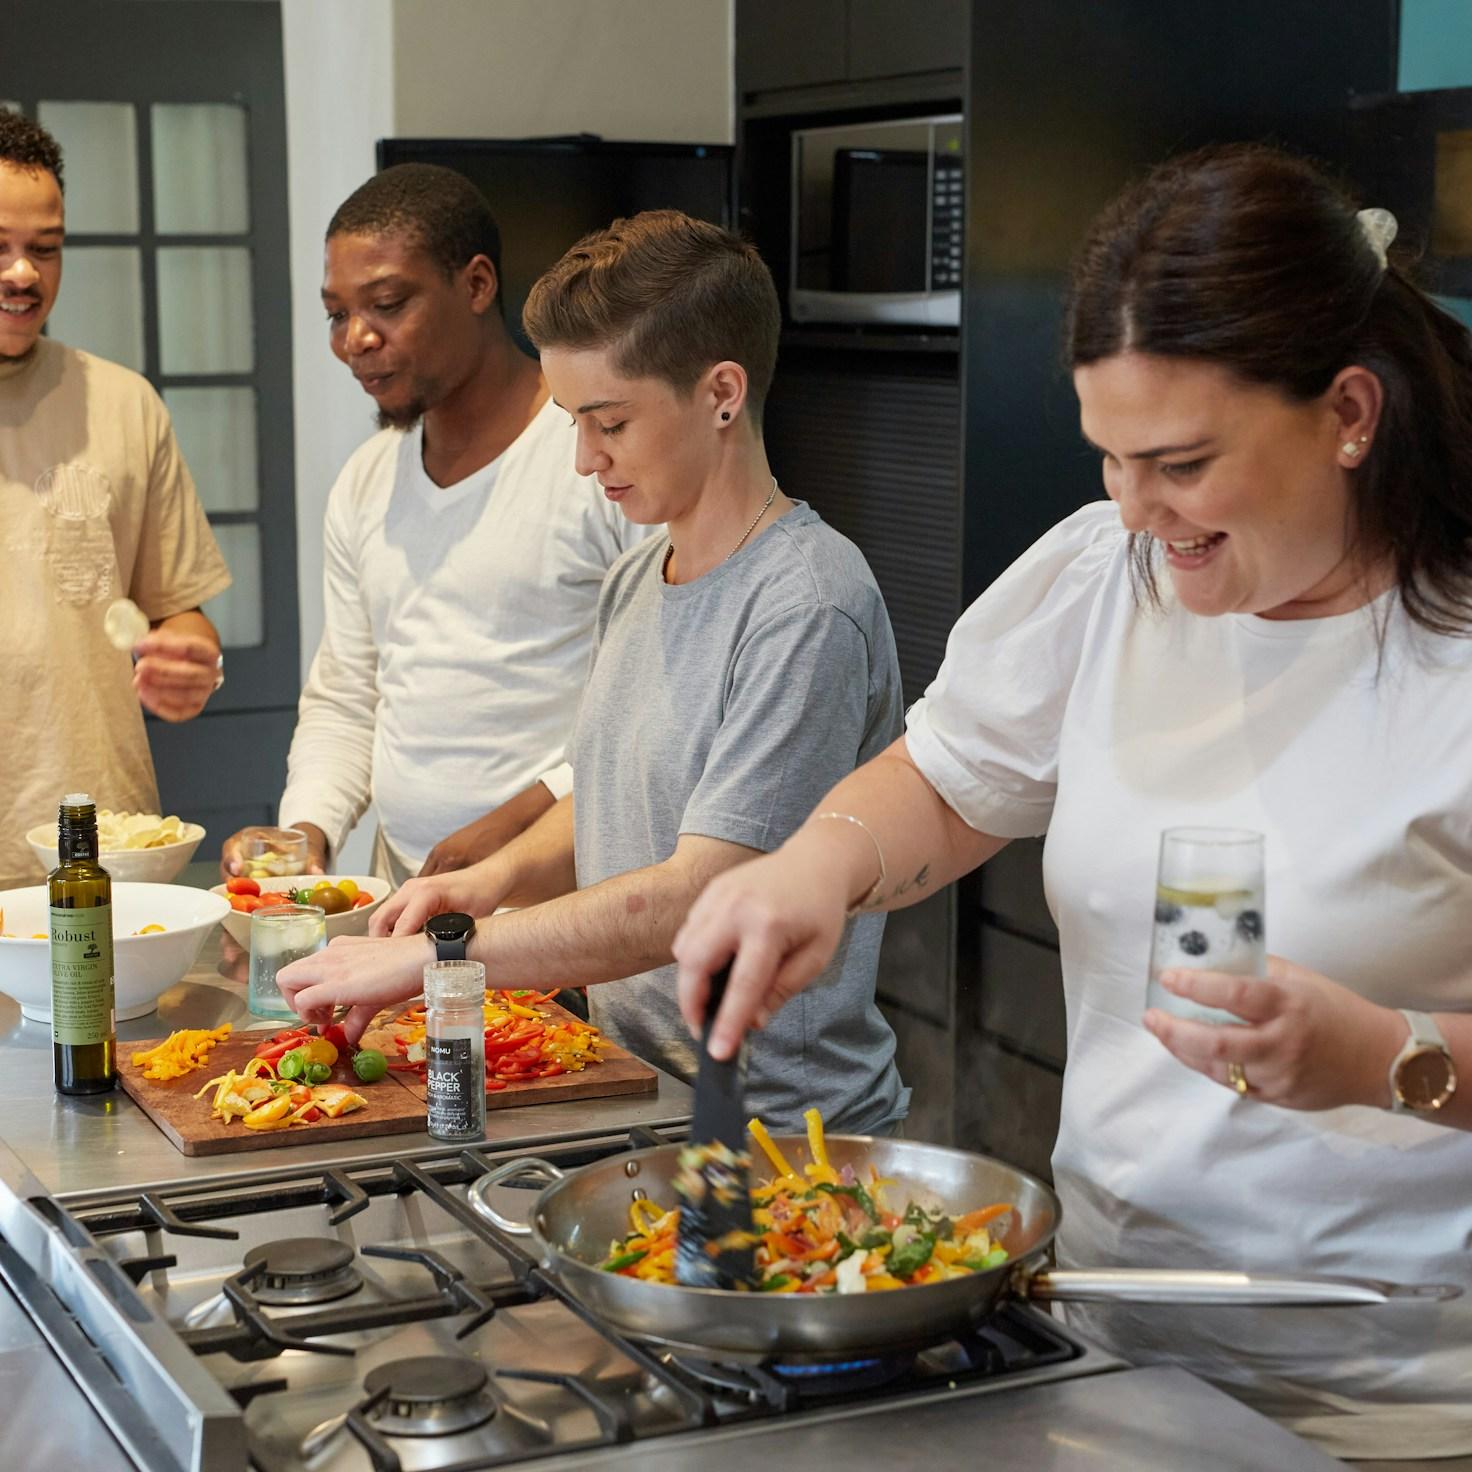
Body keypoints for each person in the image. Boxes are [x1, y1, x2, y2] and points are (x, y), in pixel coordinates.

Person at [671, 144, 1472, 1466]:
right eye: (1110, 458)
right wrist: (816, 862)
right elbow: (941, 781)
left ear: (1347, 412)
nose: (1136, 512)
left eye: (1182, 462)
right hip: (1116, 1350)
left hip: (1404, 1405)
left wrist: (1386, 1057)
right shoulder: (1107, 580)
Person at [278, 210, 909, 1135]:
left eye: (609, 422)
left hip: (784, 1133)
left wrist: (449, 956)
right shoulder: (636, 577)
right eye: (575, 422)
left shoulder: (805, 605)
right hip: (638, 1087)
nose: (584, 458)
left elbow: (701, 890)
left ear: (722, 393)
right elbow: (619, 797)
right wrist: (498, 876)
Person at [219, 164, 649, 885]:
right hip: (406, 894)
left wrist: (521, 821)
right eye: (336, 313)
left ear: (477, 285)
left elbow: (654, 710)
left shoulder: (597, 461)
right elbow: (348, 694)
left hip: (566, 900)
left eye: (386, 304)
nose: (354, 339)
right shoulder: (366, 482)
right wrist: (308, 829)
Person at [0, 108, 230, 891]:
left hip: (103, 846)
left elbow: (179, 608)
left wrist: (192, 661)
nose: (23, 274)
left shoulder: (124, 403)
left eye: (45, 249)